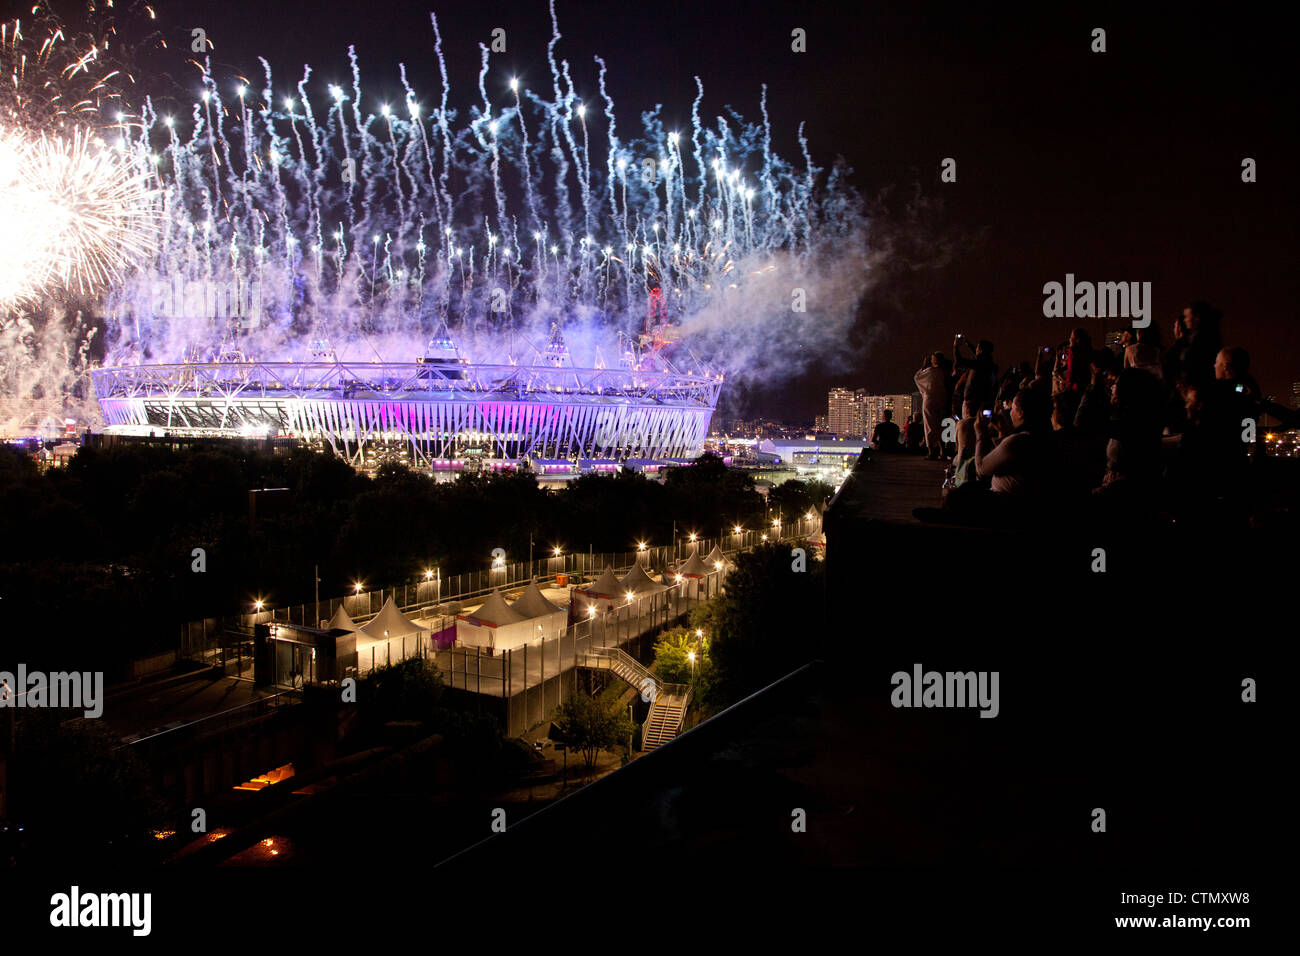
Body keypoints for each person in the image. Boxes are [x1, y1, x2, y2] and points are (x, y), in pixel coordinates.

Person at [914, 352, 950, 460]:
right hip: (942, 399)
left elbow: (917, 377)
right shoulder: (945, 372)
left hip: (930, 400)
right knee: (940, 425)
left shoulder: (930, 371)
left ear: (933, 361)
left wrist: (924, 366)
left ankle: (931, 452)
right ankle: (942, 450)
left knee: (929, 425)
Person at [953, 336, 998, 412]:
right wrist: (968, 344)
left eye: (977, 347)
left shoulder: (979, 364)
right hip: (983, 400)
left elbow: (959, 360)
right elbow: (978, 355)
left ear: (980, 350)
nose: (976, 349)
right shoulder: (990, 364)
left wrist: (955, 346)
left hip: (972, 402)